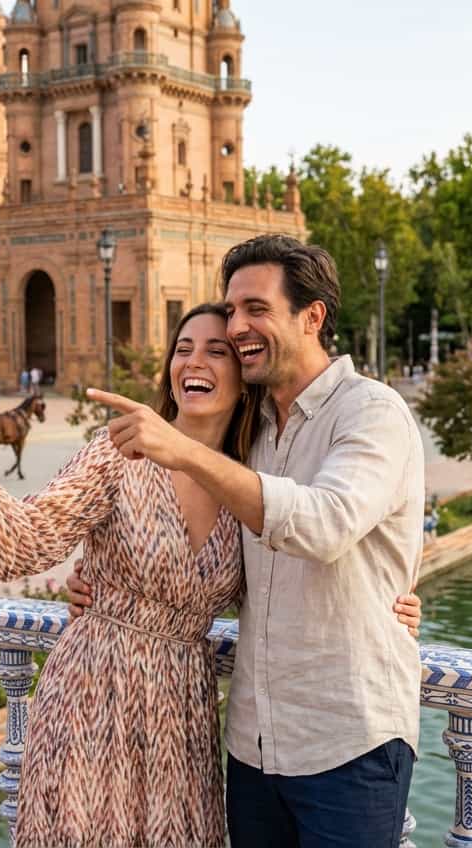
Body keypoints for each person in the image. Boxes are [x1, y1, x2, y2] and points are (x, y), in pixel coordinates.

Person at [0, 302, 423, 848]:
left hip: (181, 716)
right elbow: (28, 539)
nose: (194, 361)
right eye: (183, 348)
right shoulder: (121, 453)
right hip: (94, 694)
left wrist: (396, 598)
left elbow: (313, 548)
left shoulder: (253, 477)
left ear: (244, 379)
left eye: (218, 351)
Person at [77, 235, 425, 847]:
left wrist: (180, 448)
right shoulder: (253, 430)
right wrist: (102, 580)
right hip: (253, 746)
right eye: (232, 309)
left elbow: (325, 525)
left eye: (255, 309)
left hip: (348, 741)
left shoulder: (372, 413)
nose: (237, 326)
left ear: (312, 316)